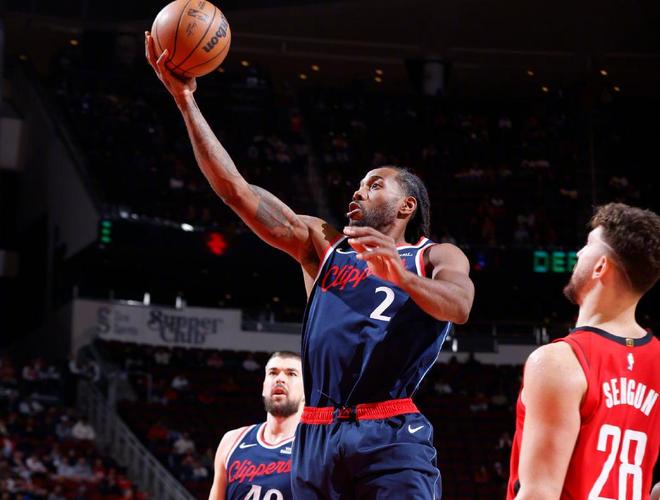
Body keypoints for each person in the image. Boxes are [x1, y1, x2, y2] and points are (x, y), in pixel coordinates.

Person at [145, 34, 474, 498]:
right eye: (359, 184)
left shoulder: (433, 256)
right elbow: (236, 191)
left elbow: (459, 305)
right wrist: (185, 101)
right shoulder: (324, 245)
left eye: (375, 185)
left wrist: (401, 277)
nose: (358, 190)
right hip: (316, 435)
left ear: (407, 206)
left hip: (389, 431)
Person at [508, 203, 660, 499]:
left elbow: (540, 493)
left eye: (588, 244)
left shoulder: (558, 362)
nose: (578, 253)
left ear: (601, 266)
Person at [208, 351, 304, 500]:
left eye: (291, 374)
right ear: (264, 386)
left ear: (307, 390)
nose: (280, 379)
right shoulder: (232, 440)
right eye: (273, 373)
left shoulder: (316, 449)